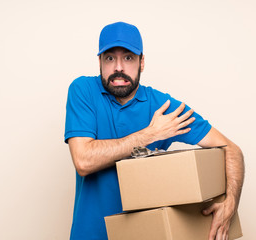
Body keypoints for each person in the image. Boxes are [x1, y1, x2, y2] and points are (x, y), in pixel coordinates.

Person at [64, 21, 244, 240]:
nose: (118, 67)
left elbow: (232, 150)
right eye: (110, 58)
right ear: (99, 62)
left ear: (142, 62)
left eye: (128, 57)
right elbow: (84, 160)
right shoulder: (83, 91)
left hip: (144, 234)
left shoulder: (163, 107)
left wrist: (231, 204)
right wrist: (150, 134)